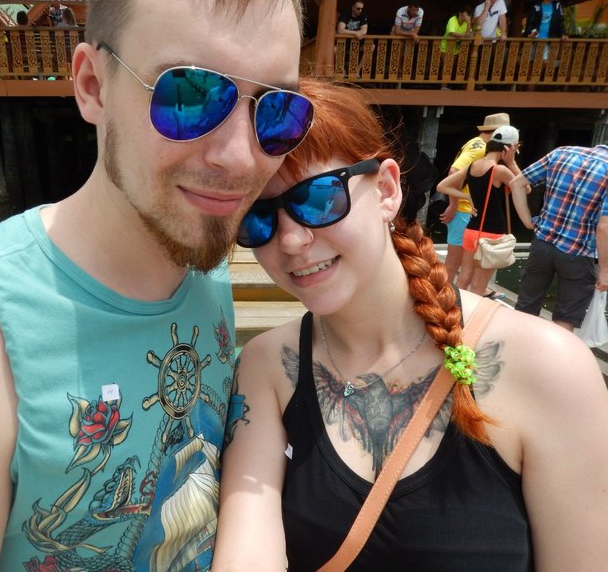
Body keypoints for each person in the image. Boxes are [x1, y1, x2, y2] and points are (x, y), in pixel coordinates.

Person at [0, 0, 314, 571]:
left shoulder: (204, 267)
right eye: (190, 97)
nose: (242, 158)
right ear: (93, 86)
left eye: (276, 111)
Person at [211, 79, 608, 571]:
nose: (290, 241)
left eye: (318, 199)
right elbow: (248, 547)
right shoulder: (267, 365)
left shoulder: (552, 367)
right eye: (257, 218)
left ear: (386, 190)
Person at [509, 145, 608, 331]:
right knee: (565, 318)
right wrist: (605, 270)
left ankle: (516, 345)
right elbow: (604, 227)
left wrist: (528, 221)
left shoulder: (562, 152)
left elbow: (517, 183)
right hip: (578, 253)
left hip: (542, 245)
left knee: (526, 306)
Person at [436, 125, 522, 299]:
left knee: (463, 281)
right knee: (478, 287)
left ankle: (454, 310)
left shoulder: (472, 166)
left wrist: (467, 197)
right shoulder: (500, 170)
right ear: (510, 148)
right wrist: (512, 162)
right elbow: (525, 188)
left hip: (472, 230)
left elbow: (442, 186)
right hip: (492, 233)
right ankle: (470, 315)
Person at [439, 4, 474, 89]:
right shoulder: (452, 20)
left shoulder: (466, 23)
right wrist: (464, 36)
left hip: (455, 48)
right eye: (465, 14)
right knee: (447, 65)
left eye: (468, 15)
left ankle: (445, 84)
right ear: (460, 13)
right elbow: (452, 33)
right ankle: (443, 86)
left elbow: (469, 35)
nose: (466, 17)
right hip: (445, 46)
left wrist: (469, 22)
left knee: (450, 66)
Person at [336, 0, 369, 79]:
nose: (360, 10)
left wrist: (350, 32)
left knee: (371, 47)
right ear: (353, 7)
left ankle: (357, 71)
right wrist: (355, 33)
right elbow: (340, 30)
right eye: (358, 8)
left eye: (361, 8)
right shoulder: (345, 14)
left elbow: (364, 31)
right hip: (344, 43)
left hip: (357, 43)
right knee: (334, 50)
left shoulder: (363, 15)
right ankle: (342, 71)